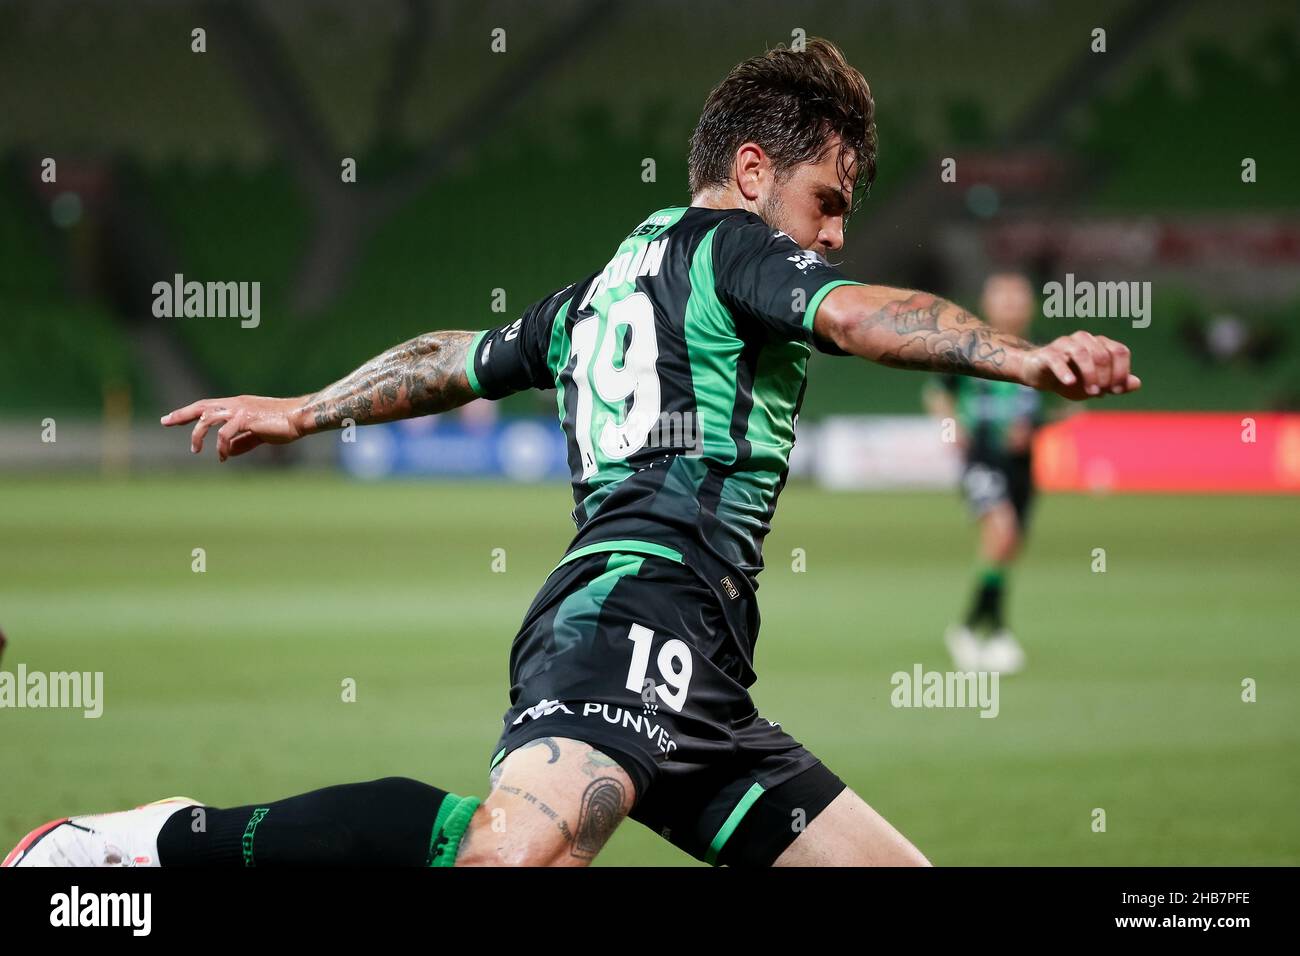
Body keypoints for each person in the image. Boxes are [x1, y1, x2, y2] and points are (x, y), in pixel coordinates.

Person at [6, 39, 1138, 869]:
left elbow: (460, 354)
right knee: (511, 856)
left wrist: (305, 409)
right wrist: (1024, 359)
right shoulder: (733, 246)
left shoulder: (610, 282)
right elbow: (856, 315)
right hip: (632, 608)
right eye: (825, 200)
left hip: (706, 674)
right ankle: (154, 845)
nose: (835, 231)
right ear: (752, 174)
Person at [924, 273, 1043, 673]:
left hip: (1023, 467)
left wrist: (1038, 425)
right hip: (982, 458)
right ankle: (966, 629)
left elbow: (1066, 406)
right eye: (1003, 297)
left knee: (1005, 548)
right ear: (988, 303)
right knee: (1002, 532)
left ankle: (996, 631)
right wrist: (951, 427)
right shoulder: (970, 347)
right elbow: (938, 392)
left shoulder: (1039, 353)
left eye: (1018, 297)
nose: (1011, 305)